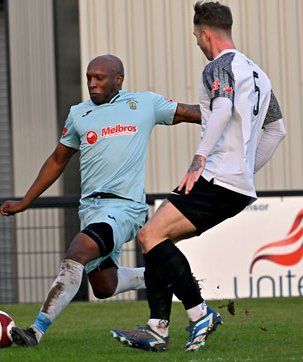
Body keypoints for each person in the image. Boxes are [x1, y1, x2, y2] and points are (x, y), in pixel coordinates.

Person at [110, 1, 286, 353]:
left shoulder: (218, 67)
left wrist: (200, 157)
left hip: (217, 177)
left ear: (206, 33)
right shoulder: (258, 75)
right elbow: (276, 130)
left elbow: (221, 108)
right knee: (156, 240)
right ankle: (157, 328)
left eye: (195, 36)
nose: (196, 43)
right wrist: (246, 170)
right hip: (235, 184)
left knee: (150, 235)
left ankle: (198, 313)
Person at [0, 54, 201, 347]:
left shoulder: (144, 104)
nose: (92, 84)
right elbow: (57, 160)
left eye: (99, 78)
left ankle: (35, 331)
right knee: (104, 286)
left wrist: (229, 108)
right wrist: (24, 201)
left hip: (124, 208)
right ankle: (163, 273)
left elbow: (192, 113)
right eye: (89, 78)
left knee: (77, 251)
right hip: (91, 210)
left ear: (118, 79)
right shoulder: (78, 113)